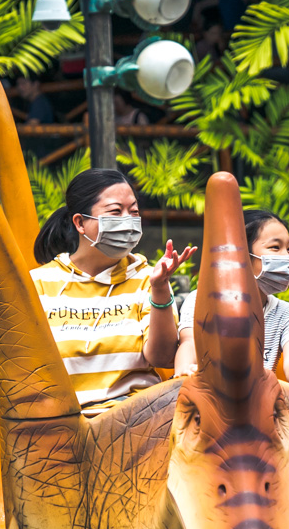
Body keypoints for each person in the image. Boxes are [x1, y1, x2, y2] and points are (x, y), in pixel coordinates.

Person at [31, 168, 195, 414]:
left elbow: (162, 358)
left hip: (137, 421)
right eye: (115, 212)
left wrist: (159, 289)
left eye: (134, 212)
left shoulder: (146, 278)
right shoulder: (38, 284)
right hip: (59, 425)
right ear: (80, 222)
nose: (128, 221)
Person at [174, 209, 289, 392]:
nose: (287, 257)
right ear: (241, 254)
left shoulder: (288, 315)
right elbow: (190, 343)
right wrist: (184, 373)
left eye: (288, 249)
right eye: (275, 247)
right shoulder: (201, 301)